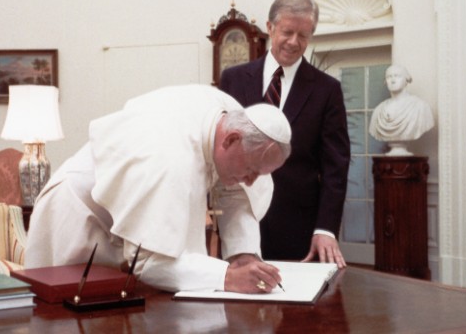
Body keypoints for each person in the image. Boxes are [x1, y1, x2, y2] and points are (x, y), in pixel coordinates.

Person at [24, 84, 292, 294]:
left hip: (113, 222)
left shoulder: (230, 116)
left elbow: (234, 192)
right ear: (231, 140)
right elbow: (148, 261)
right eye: (250, 171)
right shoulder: (169, 158)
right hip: (76, 217)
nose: (251, 181)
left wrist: (243, 255)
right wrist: (227, 277)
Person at [219, 0, 350, 268]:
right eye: (287, 32)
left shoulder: (327, 90)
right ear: (270, 27)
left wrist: (325, 229)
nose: (294, 42)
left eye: (303, 35)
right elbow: (219, 146)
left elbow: (335, 167)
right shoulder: (233, 80)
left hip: (298, 229)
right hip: (238, 220)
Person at [369, 64, 434, 143]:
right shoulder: (378, 110)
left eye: (397, 76)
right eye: (389, 77)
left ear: (406, 80)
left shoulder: (421, 107)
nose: (393, 80)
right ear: (385, 81)